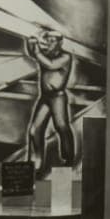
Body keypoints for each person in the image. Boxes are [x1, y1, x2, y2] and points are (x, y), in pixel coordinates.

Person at [24, 28, 73, 171]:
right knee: (34, 130)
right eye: (48, 40)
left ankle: (68, 157)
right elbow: (33, 54)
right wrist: (30, 42)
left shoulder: (66, 57)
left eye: (52, 41)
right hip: (45, 98)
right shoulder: (45, 55)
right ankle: (36, 162)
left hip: (58, 98)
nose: (49, 43)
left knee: (62, 128)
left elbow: (50, 64)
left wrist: (37, 50)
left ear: (59, 43)